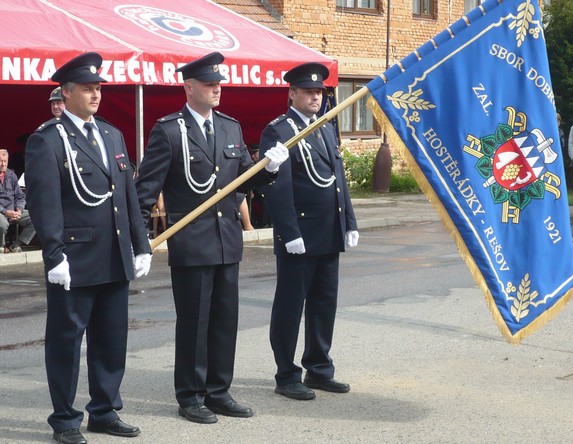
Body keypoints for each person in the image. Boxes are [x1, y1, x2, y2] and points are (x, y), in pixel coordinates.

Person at [135, 51, 288, 424]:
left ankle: (219, 391)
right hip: (191, 242)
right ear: (189, 87)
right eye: (208, 84)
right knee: (194, 323)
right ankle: (190, 395)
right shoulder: (170, 130)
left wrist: (269, 167)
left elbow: (243, 177)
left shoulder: (230, 127)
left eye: (219, 83)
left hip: (226, 242)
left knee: (224, 321)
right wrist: (140, 243)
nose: (217, 89)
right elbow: (145, 189)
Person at [25, 52, 152, 444]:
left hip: (114, 255)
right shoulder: (47, 139)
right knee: (66, 342)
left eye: (98, 88)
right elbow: (44, 203)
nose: (95, 95)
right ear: (66, 93)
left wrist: (140, 243)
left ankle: (104, 410)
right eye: (87, 88)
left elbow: (127, 194)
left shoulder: (111, 134)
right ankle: (64, 419)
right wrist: (54, 254)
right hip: (75, 258)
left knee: (112, 338)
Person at [259, 63, 359, 401]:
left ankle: (319, 368)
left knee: (323, 304)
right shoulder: (280, 130)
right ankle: (286, 374)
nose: (315, 96)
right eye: (308, 91)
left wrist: (349, 221)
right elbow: (277, 186)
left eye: (319, 92)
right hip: (300, 234)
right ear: (293, 94)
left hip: (328, 231)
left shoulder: (326, 127)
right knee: (290, 306)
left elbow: (338, 179)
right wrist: (289, 232)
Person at [0, 149, 36, 253]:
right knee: (2, 223)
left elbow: (20, 196)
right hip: (2, 212)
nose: (3, 164)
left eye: (5, 161)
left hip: (13, 211)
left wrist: (19, 209)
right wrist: (5, 212)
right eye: (0, 161)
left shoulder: (11, 175)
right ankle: (1, 247)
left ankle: (16, 245)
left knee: (36, 219)